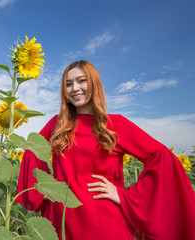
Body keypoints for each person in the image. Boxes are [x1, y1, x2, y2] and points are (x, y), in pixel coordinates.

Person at [15, 60, 195, 240]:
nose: (74, 88)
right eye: (68, 84)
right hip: (63, 221)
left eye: (81, 81)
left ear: (94, 83)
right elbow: (31, 150)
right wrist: (44, 191)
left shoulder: (115, 124)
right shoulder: (57, 124)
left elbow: (161, 156)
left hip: (105, 222)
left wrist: (125, 196)